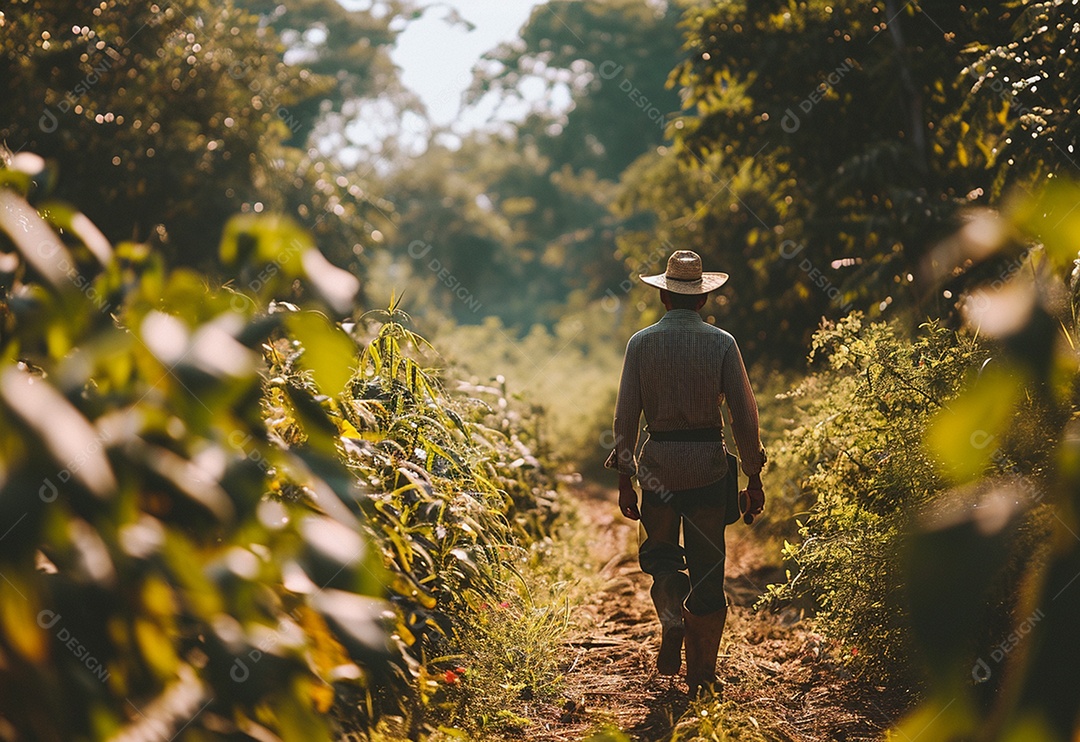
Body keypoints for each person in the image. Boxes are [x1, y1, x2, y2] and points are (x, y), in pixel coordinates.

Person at [605, 249, 766, 696]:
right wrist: (753, 476)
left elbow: (625, 417)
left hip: (657, 467)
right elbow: (744, 417)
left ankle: (673, 617)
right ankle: (702, 677)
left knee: (660, 557)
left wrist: (625, 477)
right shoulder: (722, 344)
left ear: (662, 297)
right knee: (709, 568)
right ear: (701, 300)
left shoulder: (640, 343)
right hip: (710, 471)